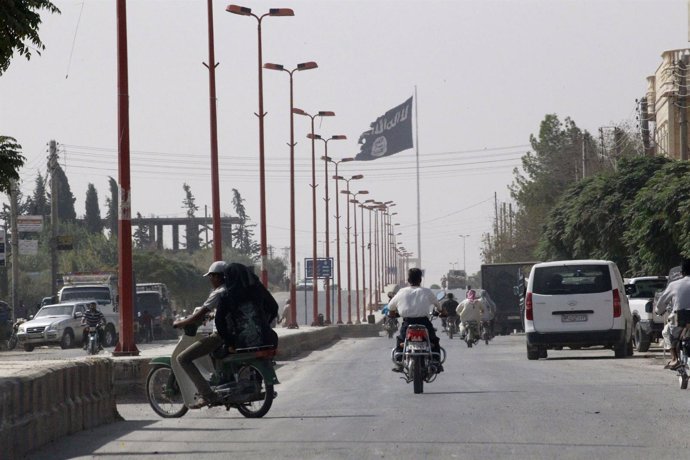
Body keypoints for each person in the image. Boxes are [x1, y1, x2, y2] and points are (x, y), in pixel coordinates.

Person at [174, 261, 228, 409]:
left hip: (222, 336)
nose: (210, 280)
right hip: (235, 335)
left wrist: (182, 323)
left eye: (211, 277)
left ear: (217, 277)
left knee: (183, 358)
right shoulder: (233, 290)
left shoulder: (218, 293)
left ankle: (207, 395)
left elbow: (200, 313)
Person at [388, 268, 443, 372]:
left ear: (408, 280)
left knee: (401, 340)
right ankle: (436, 361)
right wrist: (442, 311)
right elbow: (438, 306)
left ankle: (399, 362)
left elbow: (391, 307)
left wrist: (393, 314)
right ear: (420, 279)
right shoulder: (427, 291)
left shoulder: (401, 292)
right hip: (424, 323)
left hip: (408, 323)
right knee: (434, 341)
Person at [216, 263, 279, 352]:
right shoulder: (258, 289)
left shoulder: (226, 295)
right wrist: (263, 323)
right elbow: (274, 307)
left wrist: (229, 342)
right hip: (267, 341)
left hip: (241, 344)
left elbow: (219, 322)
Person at [655, 259, 690, 370]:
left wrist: (658, 311)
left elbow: (661, 303)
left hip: (679, 318)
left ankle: (674, 359)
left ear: (682, 272)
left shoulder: (674, 284)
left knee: (666, 332)